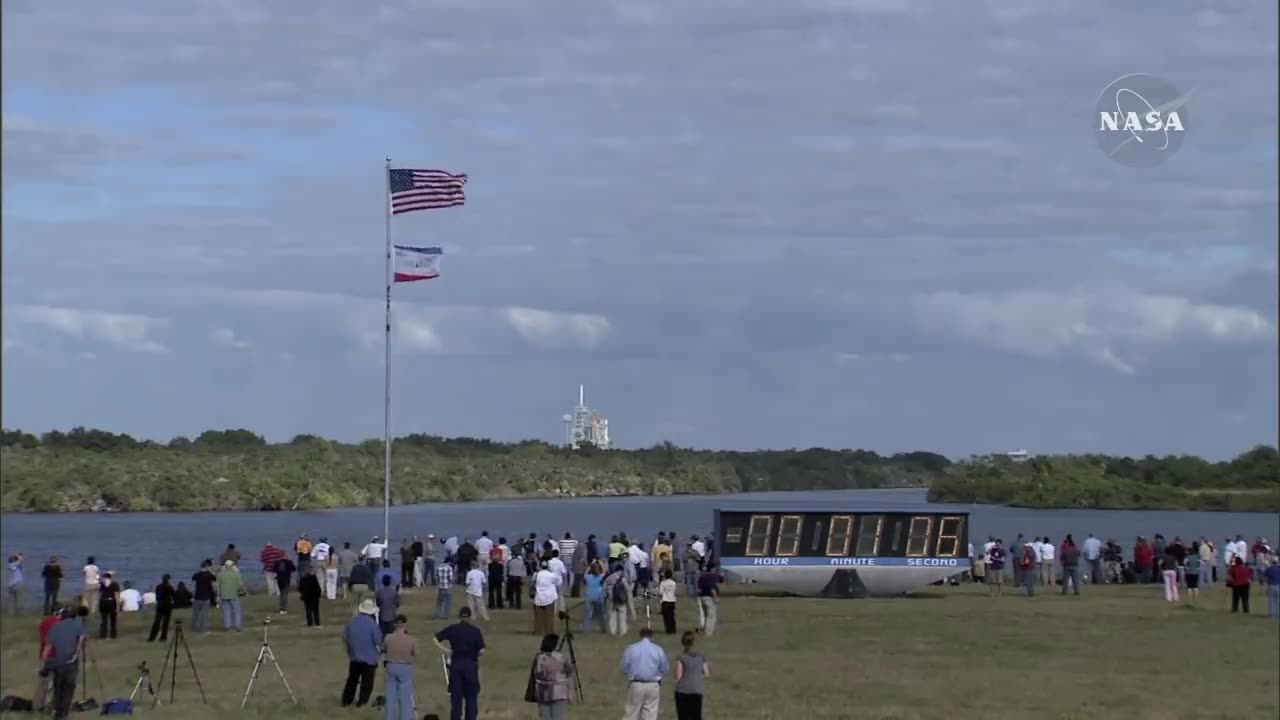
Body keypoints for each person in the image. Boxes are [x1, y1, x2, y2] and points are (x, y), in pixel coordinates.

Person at [434, 606, 486, 720]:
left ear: (460, 617)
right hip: (470, 666)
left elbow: (435, 638)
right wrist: (474, 655)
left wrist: (445, 650)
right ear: (470, 617)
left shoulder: (453, 629)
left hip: (456, 665)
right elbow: (482, 650)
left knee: (456, 698)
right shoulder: (475, 631)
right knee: (471, 697)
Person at [44, 604, 87, 720]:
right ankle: (64, 712)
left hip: (57, 662)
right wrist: (76, 654)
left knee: (58, 688)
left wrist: (45, 662)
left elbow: (48, 645)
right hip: (71, 663)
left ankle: (58, 712)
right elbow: (81, 640)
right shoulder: (79, 625)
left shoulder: (55, 627)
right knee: (69, 688)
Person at [620, 627, 669, 720]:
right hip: (653, 684)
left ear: (640, 636)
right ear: (652, 637)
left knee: (631, 713)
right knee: (650, 715)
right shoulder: (658, 649)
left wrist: (630, 673)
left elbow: (624, 667)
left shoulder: (631, 648)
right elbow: (665, 668)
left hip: (636, 683)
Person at [342, 599, 382, 707]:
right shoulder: (373, 625)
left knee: (352, 680)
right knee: (367, 682)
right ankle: (362, 702)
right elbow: (378, 640)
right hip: (369, 658)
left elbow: (345, 637)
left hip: (354, 657)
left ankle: (346, 700)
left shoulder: (352, 622)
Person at [529, 632, 575, 719]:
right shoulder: (561, 657)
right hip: (559, 693)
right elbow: (570, 671)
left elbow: (535, 673)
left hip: (542, 693)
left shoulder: (538, 657)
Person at [382, 614, 417, 720]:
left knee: (390, 698)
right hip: (405, 667)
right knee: (405, 698)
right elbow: (416, 653)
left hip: (391, 667)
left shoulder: (388, 637)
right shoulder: (412, 640)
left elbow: (383, 650)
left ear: (394, 625)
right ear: (405, 625)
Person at [35, 603, 65, 711]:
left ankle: (39, 704)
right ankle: (51, 705)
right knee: (55, 683)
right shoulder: (60, 624)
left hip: (43, 655)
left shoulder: (44, 622)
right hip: (56, 656)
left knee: (43, 682)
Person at [674, 630, 709, 720]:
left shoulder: (681, 657)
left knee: (683, 716)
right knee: (696, 715)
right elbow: (706, 673)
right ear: (694, 642)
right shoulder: (701, 656)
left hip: (683, 690)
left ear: (683, 642)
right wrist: (697, 677)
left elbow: (678, 676)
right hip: (697, 689)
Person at [532, 560, 561, 637]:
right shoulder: (552, 575)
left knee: (538, 615)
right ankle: (549, 631)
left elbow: (533, 581)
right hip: (549, 597)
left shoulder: (537, 574)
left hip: (539, 597)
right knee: (549, 616)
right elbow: (558, 582)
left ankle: (538, 630)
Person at [216, 559, 245, 631]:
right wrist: (239, 590)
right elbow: (240, 585)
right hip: (234, 594)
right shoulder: (236, 574)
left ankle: (227, 626)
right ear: (232, 566)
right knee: (236, 611)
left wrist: (218, 595)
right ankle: (237, 626)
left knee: (226, 611)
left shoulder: (220, 574)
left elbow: (217, 586)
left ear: (225, 566)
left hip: (224, 595)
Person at [605, 563, 631, 637]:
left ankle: (612, 631)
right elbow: (627, 588)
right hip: (621, 599)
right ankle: (622, 631)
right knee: (622, 615)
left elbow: (604, 587)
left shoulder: (609, 578)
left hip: (611, 599)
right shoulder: (622, 578)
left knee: (612, 616)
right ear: (621, 570)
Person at [190, 560, 216, 633]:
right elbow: (215, 580)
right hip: (206, 597)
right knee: (204, 614)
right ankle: (204, 629)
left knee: (196, 614)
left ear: (200, 567)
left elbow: (192, 584)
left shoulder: (196, 575)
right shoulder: (209, 575)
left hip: (197, 596)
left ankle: (194, 627)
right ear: (207, 567)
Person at [148, 574, 175, 642]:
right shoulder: (170, 587)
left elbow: (157, 597)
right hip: (168, 606)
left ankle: (152, 637)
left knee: (157, 621)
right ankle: (163, 637)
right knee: (165, 622)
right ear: (168, 580)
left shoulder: (158, 587)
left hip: (160, 605)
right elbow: (174, 595)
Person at [583, 561, 607, 634]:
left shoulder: (588, 577)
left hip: (589, 596)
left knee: (587, 614)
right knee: (601, 614)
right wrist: (600, 563)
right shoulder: (600, 577)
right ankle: (603, 629)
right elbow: (604, 571)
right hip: (598, 597)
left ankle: (586, 630)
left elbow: (585, 573)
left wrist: (591, 564)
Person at [697, 563, 719, 636]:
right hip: (710, 597)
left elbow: (699, 588)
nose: (716, 570)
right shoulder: (712, 577)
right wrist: (715, 597)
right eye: (715, 568)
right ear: (712, 569)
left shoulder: (702, 576)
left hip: (702, 597)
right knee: (711, 616)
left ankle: (705, 629)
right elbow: (712, 588)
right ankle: (708, 632)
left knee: (706, 615)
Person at [97, 571, 121, 639]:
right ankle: (113, 635)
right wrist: (118, 606)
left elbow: (98, 591)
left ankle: (103, 635)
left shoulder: (102, 584)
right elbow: (116, 595)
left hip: (103, 602)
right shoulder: (115, 584)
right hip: (111, 602)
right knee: (113, 620)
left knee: (104, 620)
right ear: (111, 577)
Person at [659, 570, 678, 634]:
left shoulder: (663, 583)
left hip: (665, 601)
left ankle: (668, 630)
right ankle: (673, 629)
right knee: (671, 616)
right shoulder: (673, 583)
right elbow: (674, 592)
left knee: (666, 617)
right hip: (672, 600)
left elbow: (661, 592)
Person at [1264, 555, 1280, 620]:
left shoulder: (1269, 569)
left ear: (1272, 562)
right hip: (1278, 585)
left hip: (1271, 585)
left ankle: (1272, 614)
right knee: (1278, 600)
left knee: (1271, 600)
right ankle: (1278, 614)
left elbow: (1265, 576)